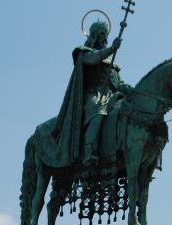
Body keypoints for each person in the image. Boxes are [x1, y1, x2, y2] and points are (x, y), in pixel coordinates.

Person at [53, 20, 132, 165]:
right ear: (94, 35)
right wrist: (112, 49)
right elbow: (94, 59)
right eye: (101, 34)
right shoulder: (83, 52)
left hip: (112, 96)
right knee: (98, 110)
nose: (104, 38)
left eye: (105, 35)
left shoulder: (112, 63)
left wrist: (135, 90)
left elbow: (119, 84)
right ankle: (90, 151)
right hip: (93, 95)